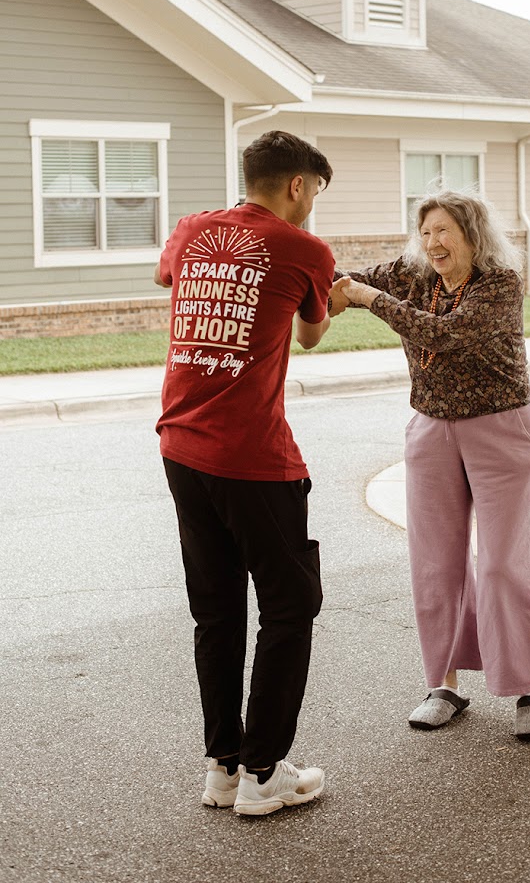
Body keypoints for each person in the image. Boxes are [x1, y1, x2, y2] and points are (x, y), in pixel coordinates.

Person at [154, 130, 335, 817]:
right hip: (254, 458)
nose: (312, 205)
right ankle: (264, 774)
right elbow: (309, 334)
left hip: (181, 447)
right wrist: (335, 297)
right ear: (297, 185)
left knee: (217, 609)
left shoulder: (192, 229)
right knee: (291, 605)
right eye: (315, 192)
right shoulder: (306, 250)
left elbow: (168, 279)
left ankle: (224, 767)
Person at [335, 191, 530, 738]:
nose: (432, 243)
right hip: (432, 429)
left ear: (472, 236)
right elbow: (340, 277)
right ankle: (445, 686)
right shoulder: (412, 276)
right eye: (426, 232)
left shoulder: (499, 283)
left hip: (501, 428)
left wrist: (367, 298)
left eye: (444, 232)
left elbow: (444, 334)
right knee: (436, 564)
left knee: (506, 564)